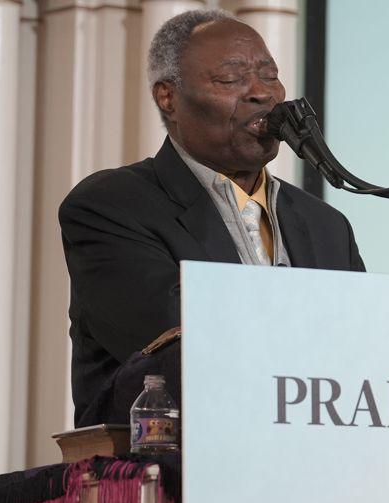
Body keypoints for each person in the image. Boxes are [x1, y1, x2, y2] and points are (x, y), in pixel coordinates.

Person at [59, 9, 364, 427]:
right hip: (167, 465)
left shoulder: (327, 226)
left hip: (319, 461)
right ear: (168, 97)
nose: (263, 93)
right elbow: (173, 344)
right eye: (232, 79)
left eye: (270, 75)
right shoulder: (112, 206)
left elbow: (363, 353)